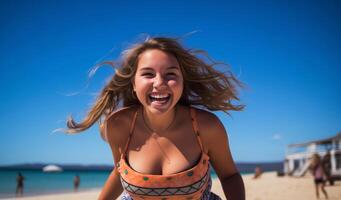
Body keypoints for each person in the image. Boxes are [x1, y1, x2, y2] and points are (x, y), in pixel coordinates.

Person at [66, 37, 245, 199]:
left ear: (182, 82)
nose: (159, 83)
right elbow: (120, 170)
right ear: (134, 84)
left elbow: (230, 176)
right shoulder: (119, 125)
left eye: (171, 74)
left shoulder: (206, 127)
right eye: (148, 74)